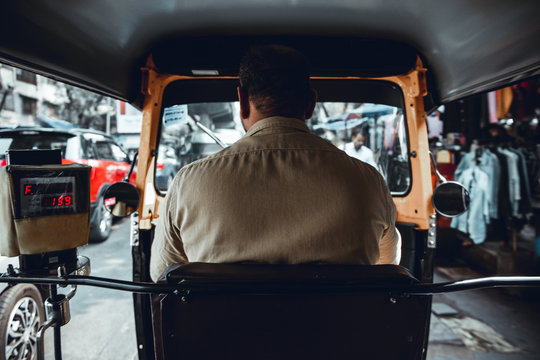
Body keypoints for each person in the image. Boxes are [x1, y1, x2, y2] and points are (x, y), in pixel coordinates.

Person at [150, 45, 401, 281]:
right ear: (311, 103)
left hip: (224, 328)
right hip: (339, 327)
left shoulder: (190, 181)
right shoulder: (367, 180)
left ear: (242, 100)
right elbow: (388, 263)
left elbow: (162, 273)